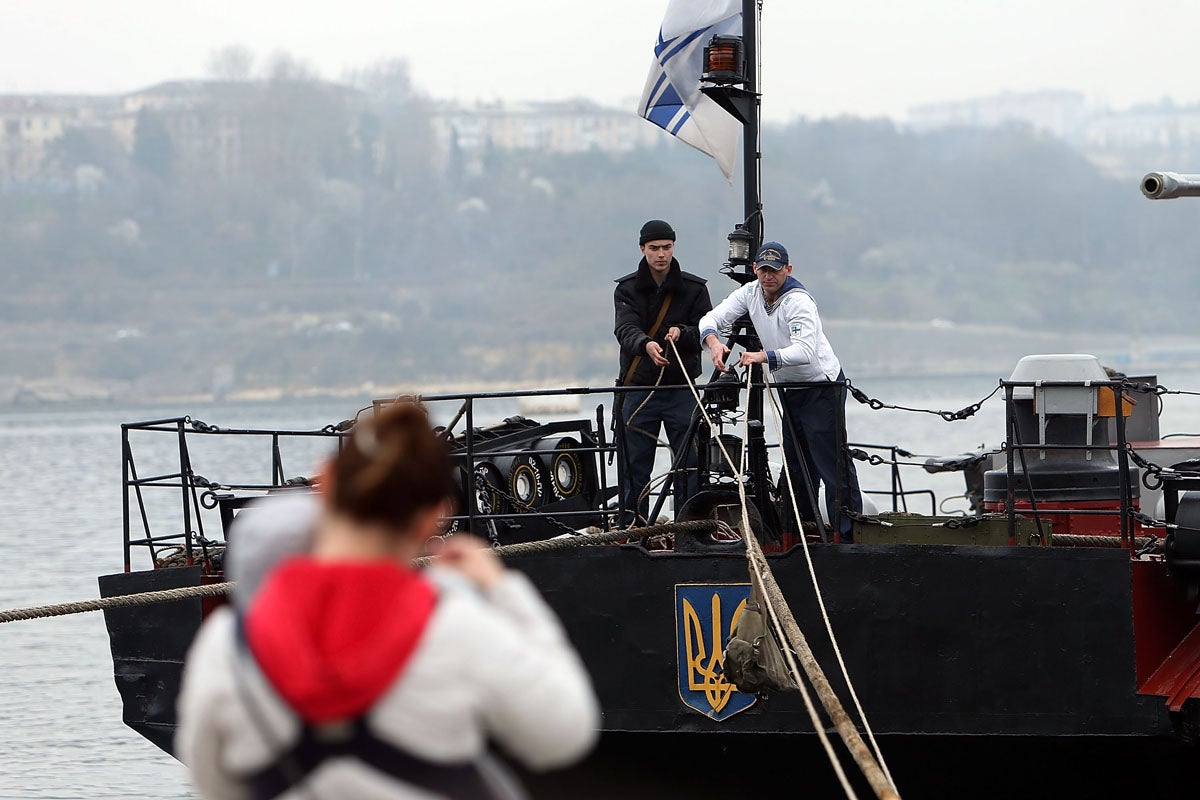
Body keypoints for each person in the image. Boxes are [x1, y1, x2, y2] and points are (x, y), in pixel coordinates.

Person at [176, 401, 600, 800]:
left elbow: (216, 784)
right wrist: (502, 589)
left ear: (324, 482)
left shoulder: (227, 647)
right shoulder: (455, 628)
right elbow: (564, 732)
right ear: (434, 516)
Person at [698, 241, 862, 541]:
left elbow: (805, 351)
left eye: (774, 270)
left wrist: (763, 357)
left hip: (820, 386)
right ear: (754, 270)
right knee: (797, 464)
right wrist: (714, 343)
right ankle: (802, 532)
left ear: (788, 270)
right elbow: (711, 319)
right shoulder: (750, 293)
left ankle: (847, 535)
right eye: (762, 270)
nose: (768, 276)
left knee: (831, 464)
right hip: (789, 387)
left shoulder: (798, 302)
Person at [613, 219, 713, 527]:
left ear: (674, 247)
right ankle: (633, 526)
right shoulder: (627, 289)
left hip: (680, 389)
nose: (661, 254)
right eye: (654, 248)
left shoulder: (695, 289)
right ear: (642, 249)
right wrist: (646, 346)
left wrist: (681, 333)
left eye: (666, 248)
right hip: (638, 389)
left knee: (689, 465)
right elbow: (625, 329)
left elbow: (705, 331)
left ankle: (688, 526)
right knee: (634, 465)